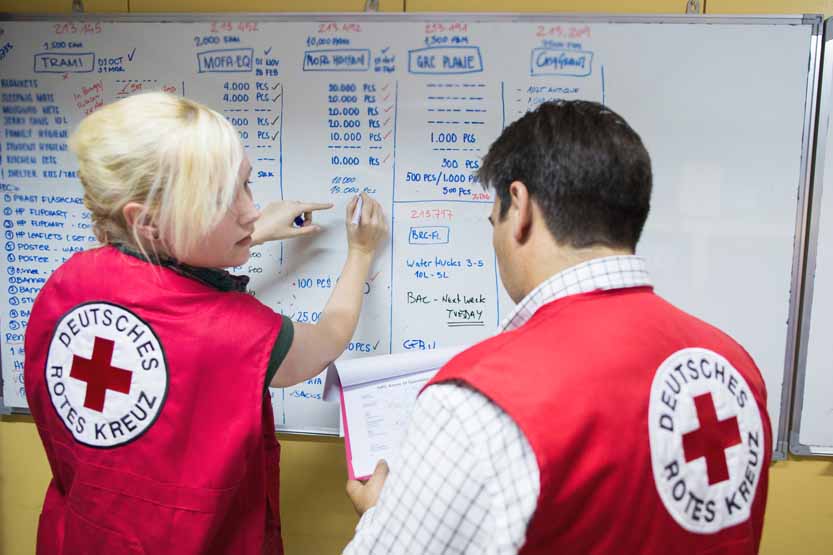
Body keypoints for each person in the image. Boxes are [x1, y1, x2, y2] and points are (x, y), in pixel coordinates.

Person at [343, 100, 771, 554]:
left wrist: (380, 516)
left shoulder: (477, 399)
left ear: (520, 208)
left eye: (494, 221)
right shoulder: (733, 365)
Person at [23, 91, 387, 555]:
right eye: (218, 199)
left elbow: (164, 282)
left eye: (245, 184)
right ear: (147, 222)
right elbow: (329, 336)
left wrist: (245, 234)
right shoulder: (235, 331)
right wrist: (360, 252)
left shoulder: (66, 283)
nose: (251, 210)